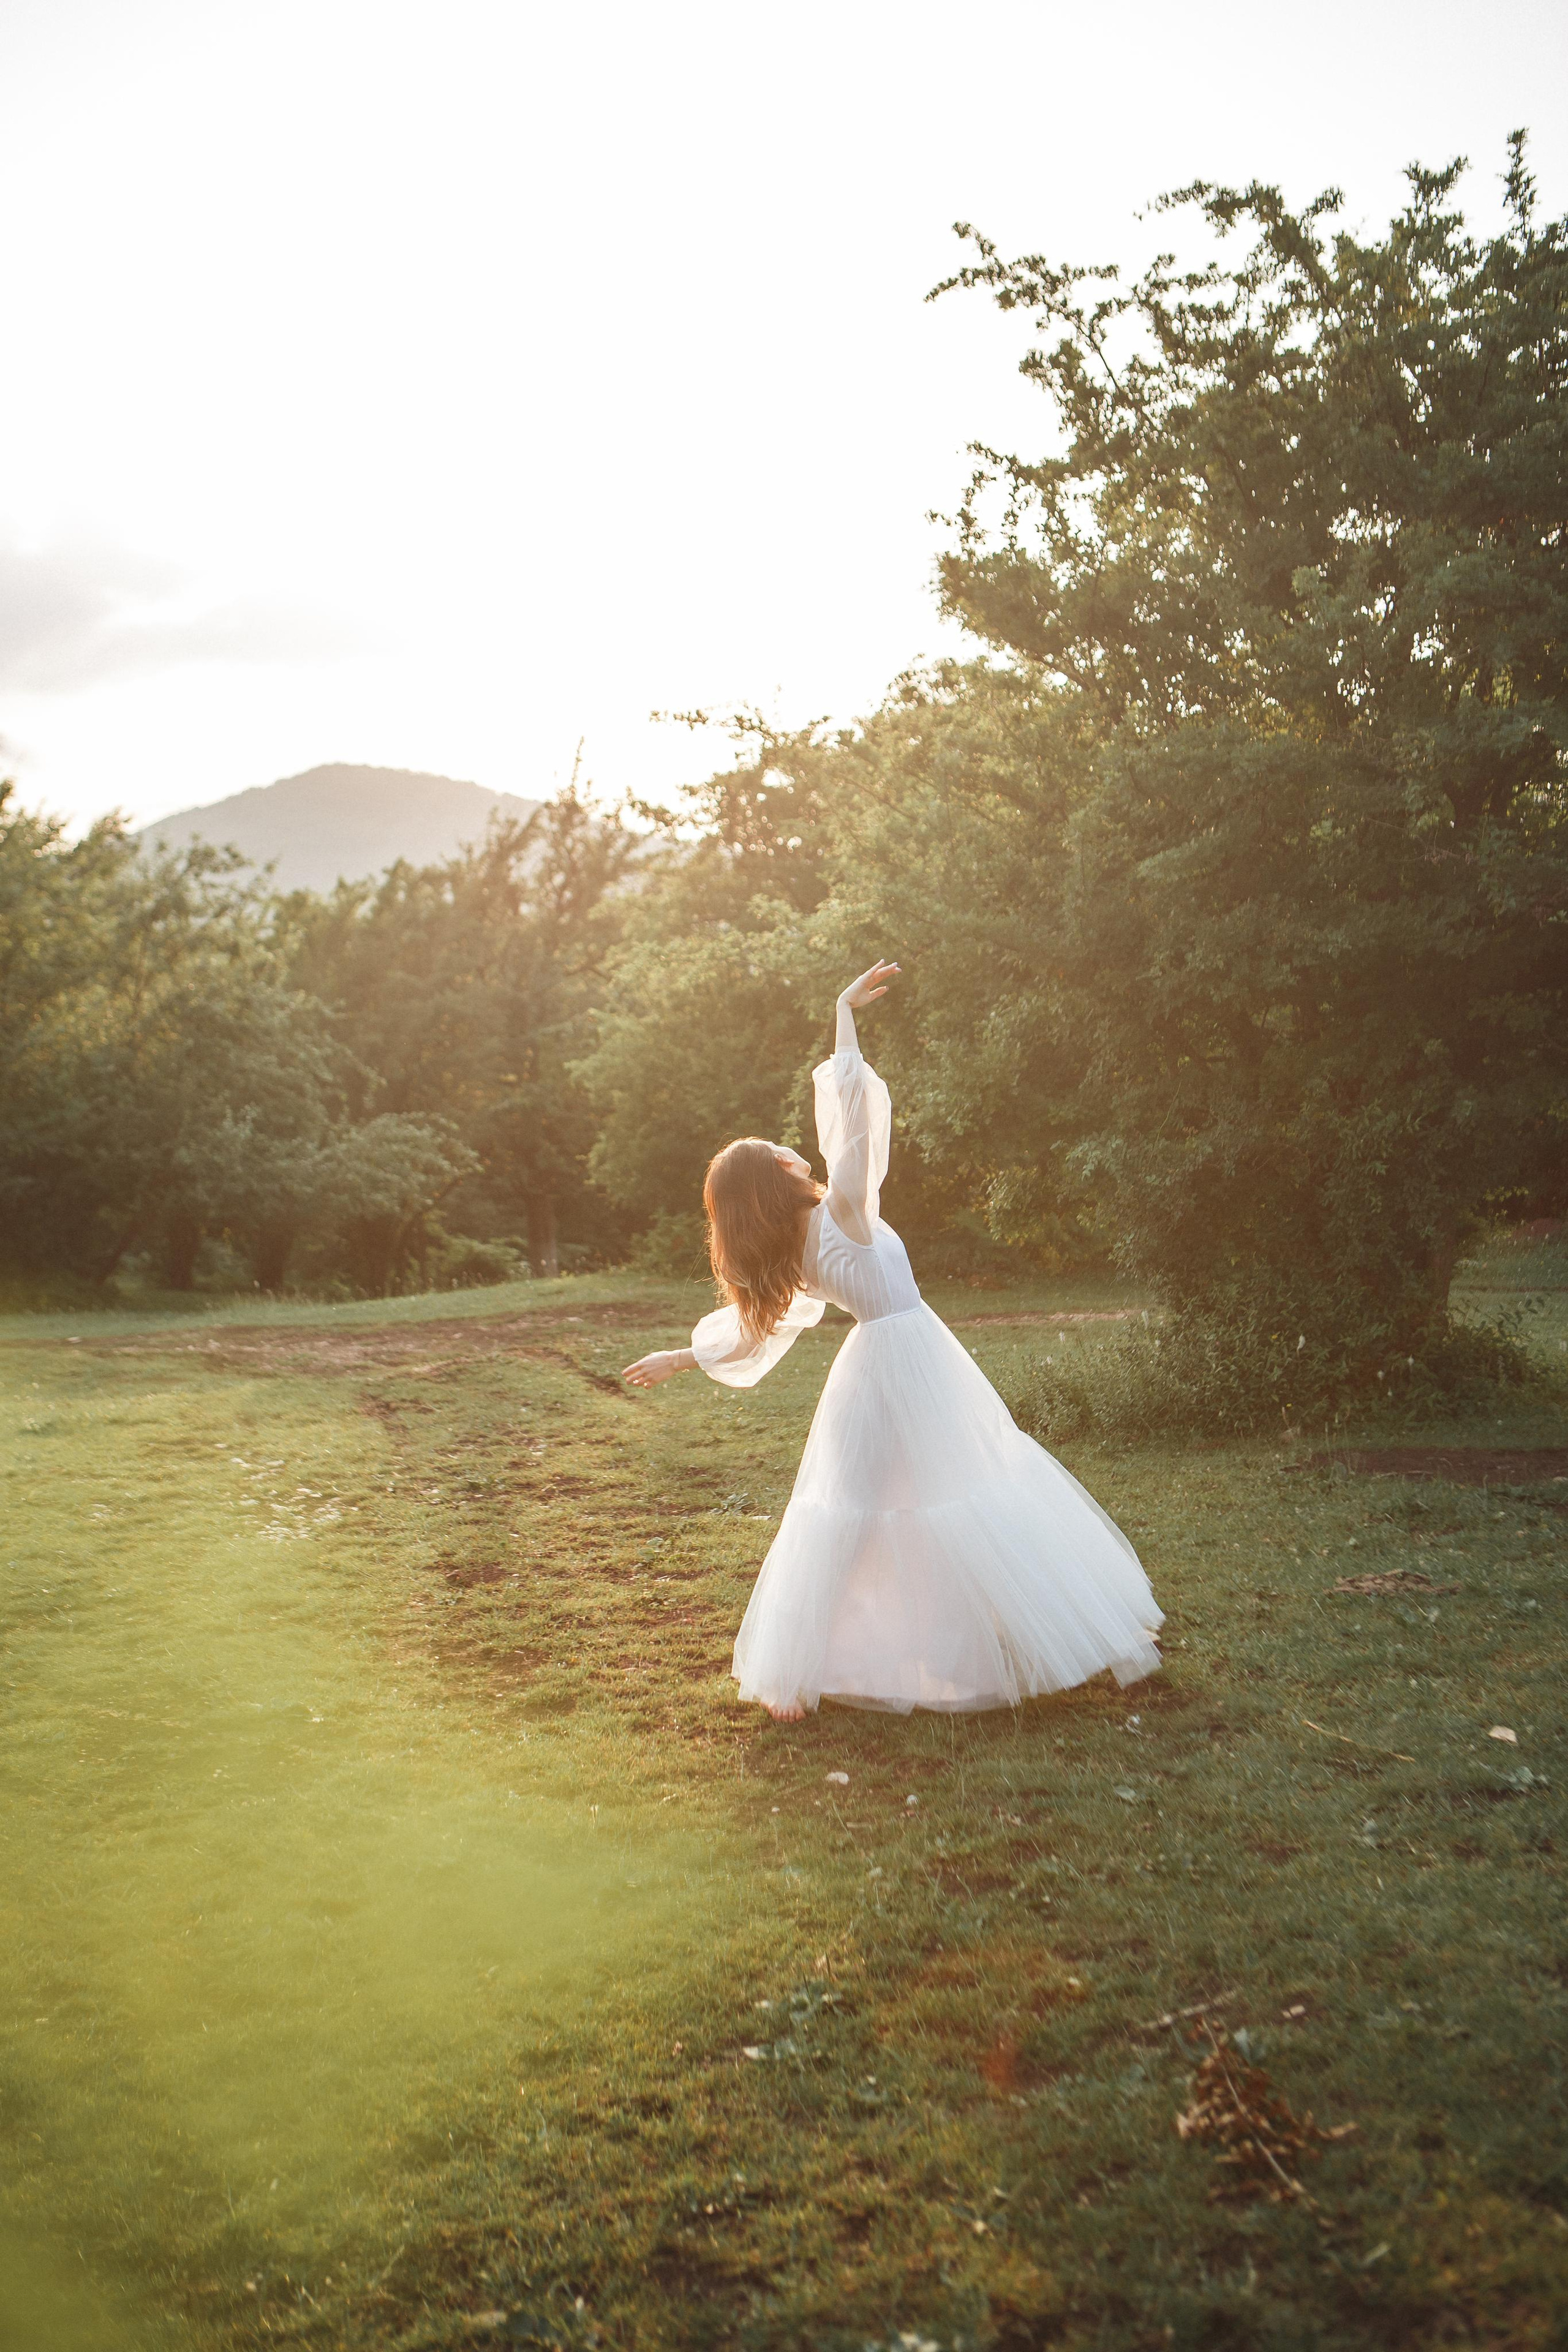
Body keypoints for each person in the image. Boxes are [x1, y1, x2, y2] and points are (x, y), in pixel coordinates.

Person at [622, 962, 1163, 1720]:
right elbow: (851, 1116)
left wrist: (679, 1359)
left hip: (880, 1365)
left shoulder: (795, 1246)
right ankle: (1071, 1644)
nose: (792, 1145)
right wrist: (843, 1016)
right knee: (967, 1489)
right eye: (779, 1146)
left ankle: (801, 1681)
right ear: (777, 1173)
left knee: (861, 1507)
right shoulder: (842, 1211)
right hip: (908, 1356)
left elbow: (754, 1331)